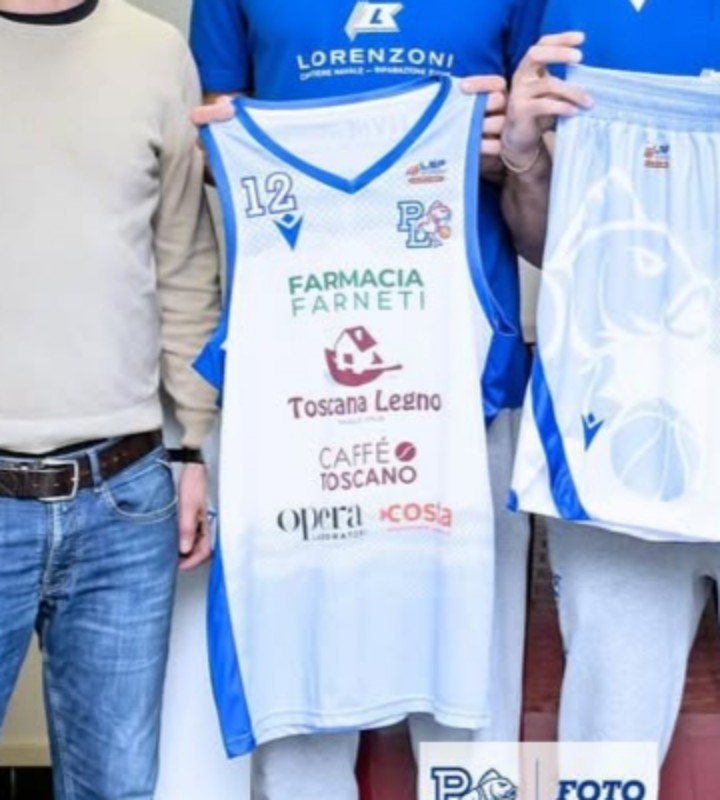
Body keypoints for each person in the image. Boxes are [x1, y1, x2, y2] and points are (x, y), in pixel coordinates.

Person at [188, 1, 550, 798]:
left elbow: (546, 144)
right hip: (293, 382)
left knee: (471, 694)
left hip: (458, 383)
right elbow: (214, 141)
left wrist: (511, 152)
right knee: (299, 697)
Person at [0, 0, 220, 796]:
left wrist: (193, 446)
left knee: (117, 790)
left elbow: (184, 262)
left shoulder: (153, 53)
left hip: (127, 497)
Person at [501, 0, 720, 762]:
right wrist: (524, 159)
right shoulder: (548, 12)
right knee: (608, 754)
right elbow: (547, 241)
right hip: (614, 420)